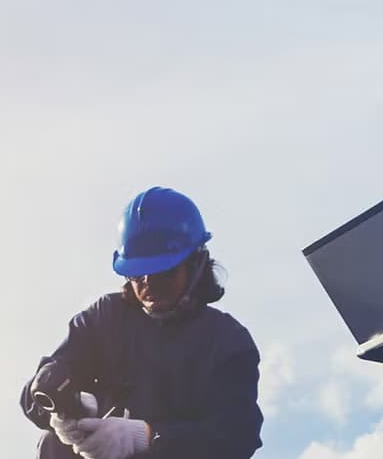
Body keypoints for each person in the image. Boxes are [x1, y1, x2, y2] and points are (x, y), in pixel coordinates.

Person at [19, 187, 263, 459]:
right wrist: (58, 410)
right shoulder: (104, 318)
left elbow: (236, 436)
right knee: (51, 443)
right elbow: (35, 395)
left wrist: (148, 437)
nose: (149, 285)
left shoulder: (228, 342)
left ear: (197, 262)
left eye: (163, 273)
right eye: (139, 275)